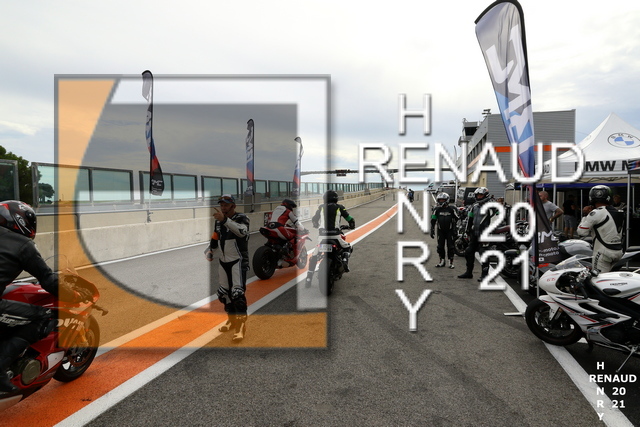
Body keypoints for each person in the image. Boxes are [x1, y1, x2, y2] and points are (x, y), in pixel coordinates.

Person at [0, 200, 91, 392]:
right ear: (20, 221)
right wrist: (73, 294)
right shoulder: (23, 245)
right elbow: (48, 280)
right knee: (45, 317)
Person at [204, 195, 250, 342]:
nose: (223, 207)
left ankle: (240, 327)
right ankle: (232, 320)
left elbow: (242, 232)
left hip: (238, 261)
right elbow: (215, 236)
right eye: (222, 205)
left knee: (237, 294)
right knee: (223, 293)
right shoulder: (218, 220)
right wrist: (211, 249)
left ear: (233, 206)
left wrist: (224, 220)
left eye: (226, 205)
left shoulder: (242, 218)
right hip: (223, 261)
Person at [305, 190, 355, 285]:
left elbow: (314, 219)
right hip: (335, 235)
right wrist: (352, 226)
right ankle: (345, 262)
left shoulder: (321, 207)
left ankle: (309, 278)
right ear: (336, 199)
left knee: (314, 256)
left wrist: (316, 225)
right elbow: (350, 219)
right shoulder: (340, 207)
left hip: (322, 237)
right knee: (348, 247)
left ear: (324, 198)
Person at [577, 185, 625, 273]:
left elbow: (581, 232)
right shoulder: (618, 211)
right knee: (613, 279)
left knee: (599, 279)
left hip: (602, 252)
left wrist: (585, 215)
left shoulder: (595, 213)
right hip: (618, 251)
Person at [458, 187, 499, 281]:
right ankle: (469, 273)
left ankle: (485, 275)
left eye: (481, 195)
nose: (479, 197)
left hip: (485, 235)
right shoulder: (474, 206)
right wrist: (467, 230)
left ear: (486, 196)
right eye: (477, 195)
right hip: (474, 234)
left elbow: (495, 220)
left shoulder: (491, 207)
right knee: (468, 251)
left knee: (483, 254)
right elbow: (470, 219)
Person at [266, 199, 307, 264]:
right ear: (288, 205)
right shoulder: (288, 211)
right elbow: (296, 222)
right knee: (293, 237)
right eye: (291, 206)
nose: (292, 208)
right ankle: (285, 255)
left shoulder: (276, 209)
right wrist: (303, 229)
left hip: (268, 227)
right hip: (278, 228)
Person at [430, 192, 459, 269]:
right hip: (440, 231)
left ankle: (451, 262)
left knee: (451, 247)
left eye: (443, 200)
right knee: (440, 247)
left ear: (447, 200)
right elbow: (433, 220)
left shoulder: (452, 209)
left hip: (450, 231)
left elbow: (458, 219)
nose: (441, 201)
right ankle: (442, 261)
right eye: (440, 200)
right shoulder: (436, 209)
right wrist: (432, 229)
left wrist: (456, 228)